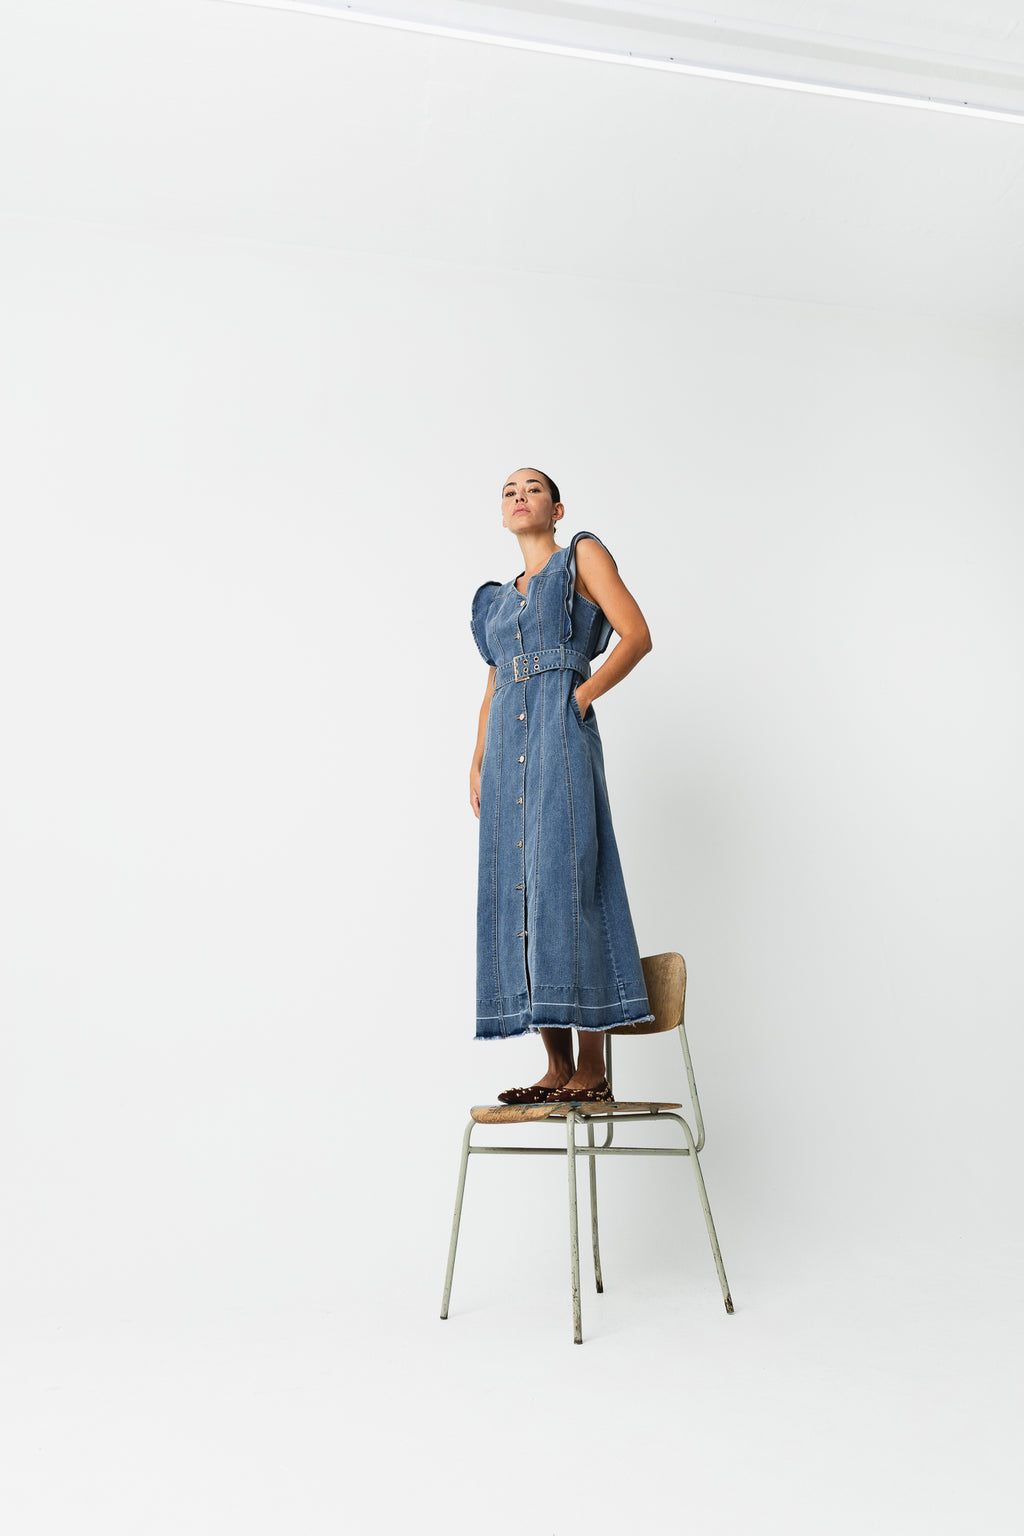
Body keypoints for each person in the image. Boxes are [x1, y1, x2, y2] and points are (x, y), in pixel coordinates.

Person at [469, 467, 655, 1105]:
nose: (519, 497)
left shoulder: (580, 556)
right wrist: (478, 758)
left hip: (559, 736)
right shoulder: (495, 601)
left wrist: (580, 696)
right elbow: (495, 681)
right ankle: (555, 1065)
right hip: (505, 752)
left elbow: (636, 635)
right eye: (509, 492)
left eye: (533, 489)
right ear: (502, 514)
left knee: (569, 881)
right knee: (521, 892)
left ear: (557, 508)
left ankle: (592, 1066)